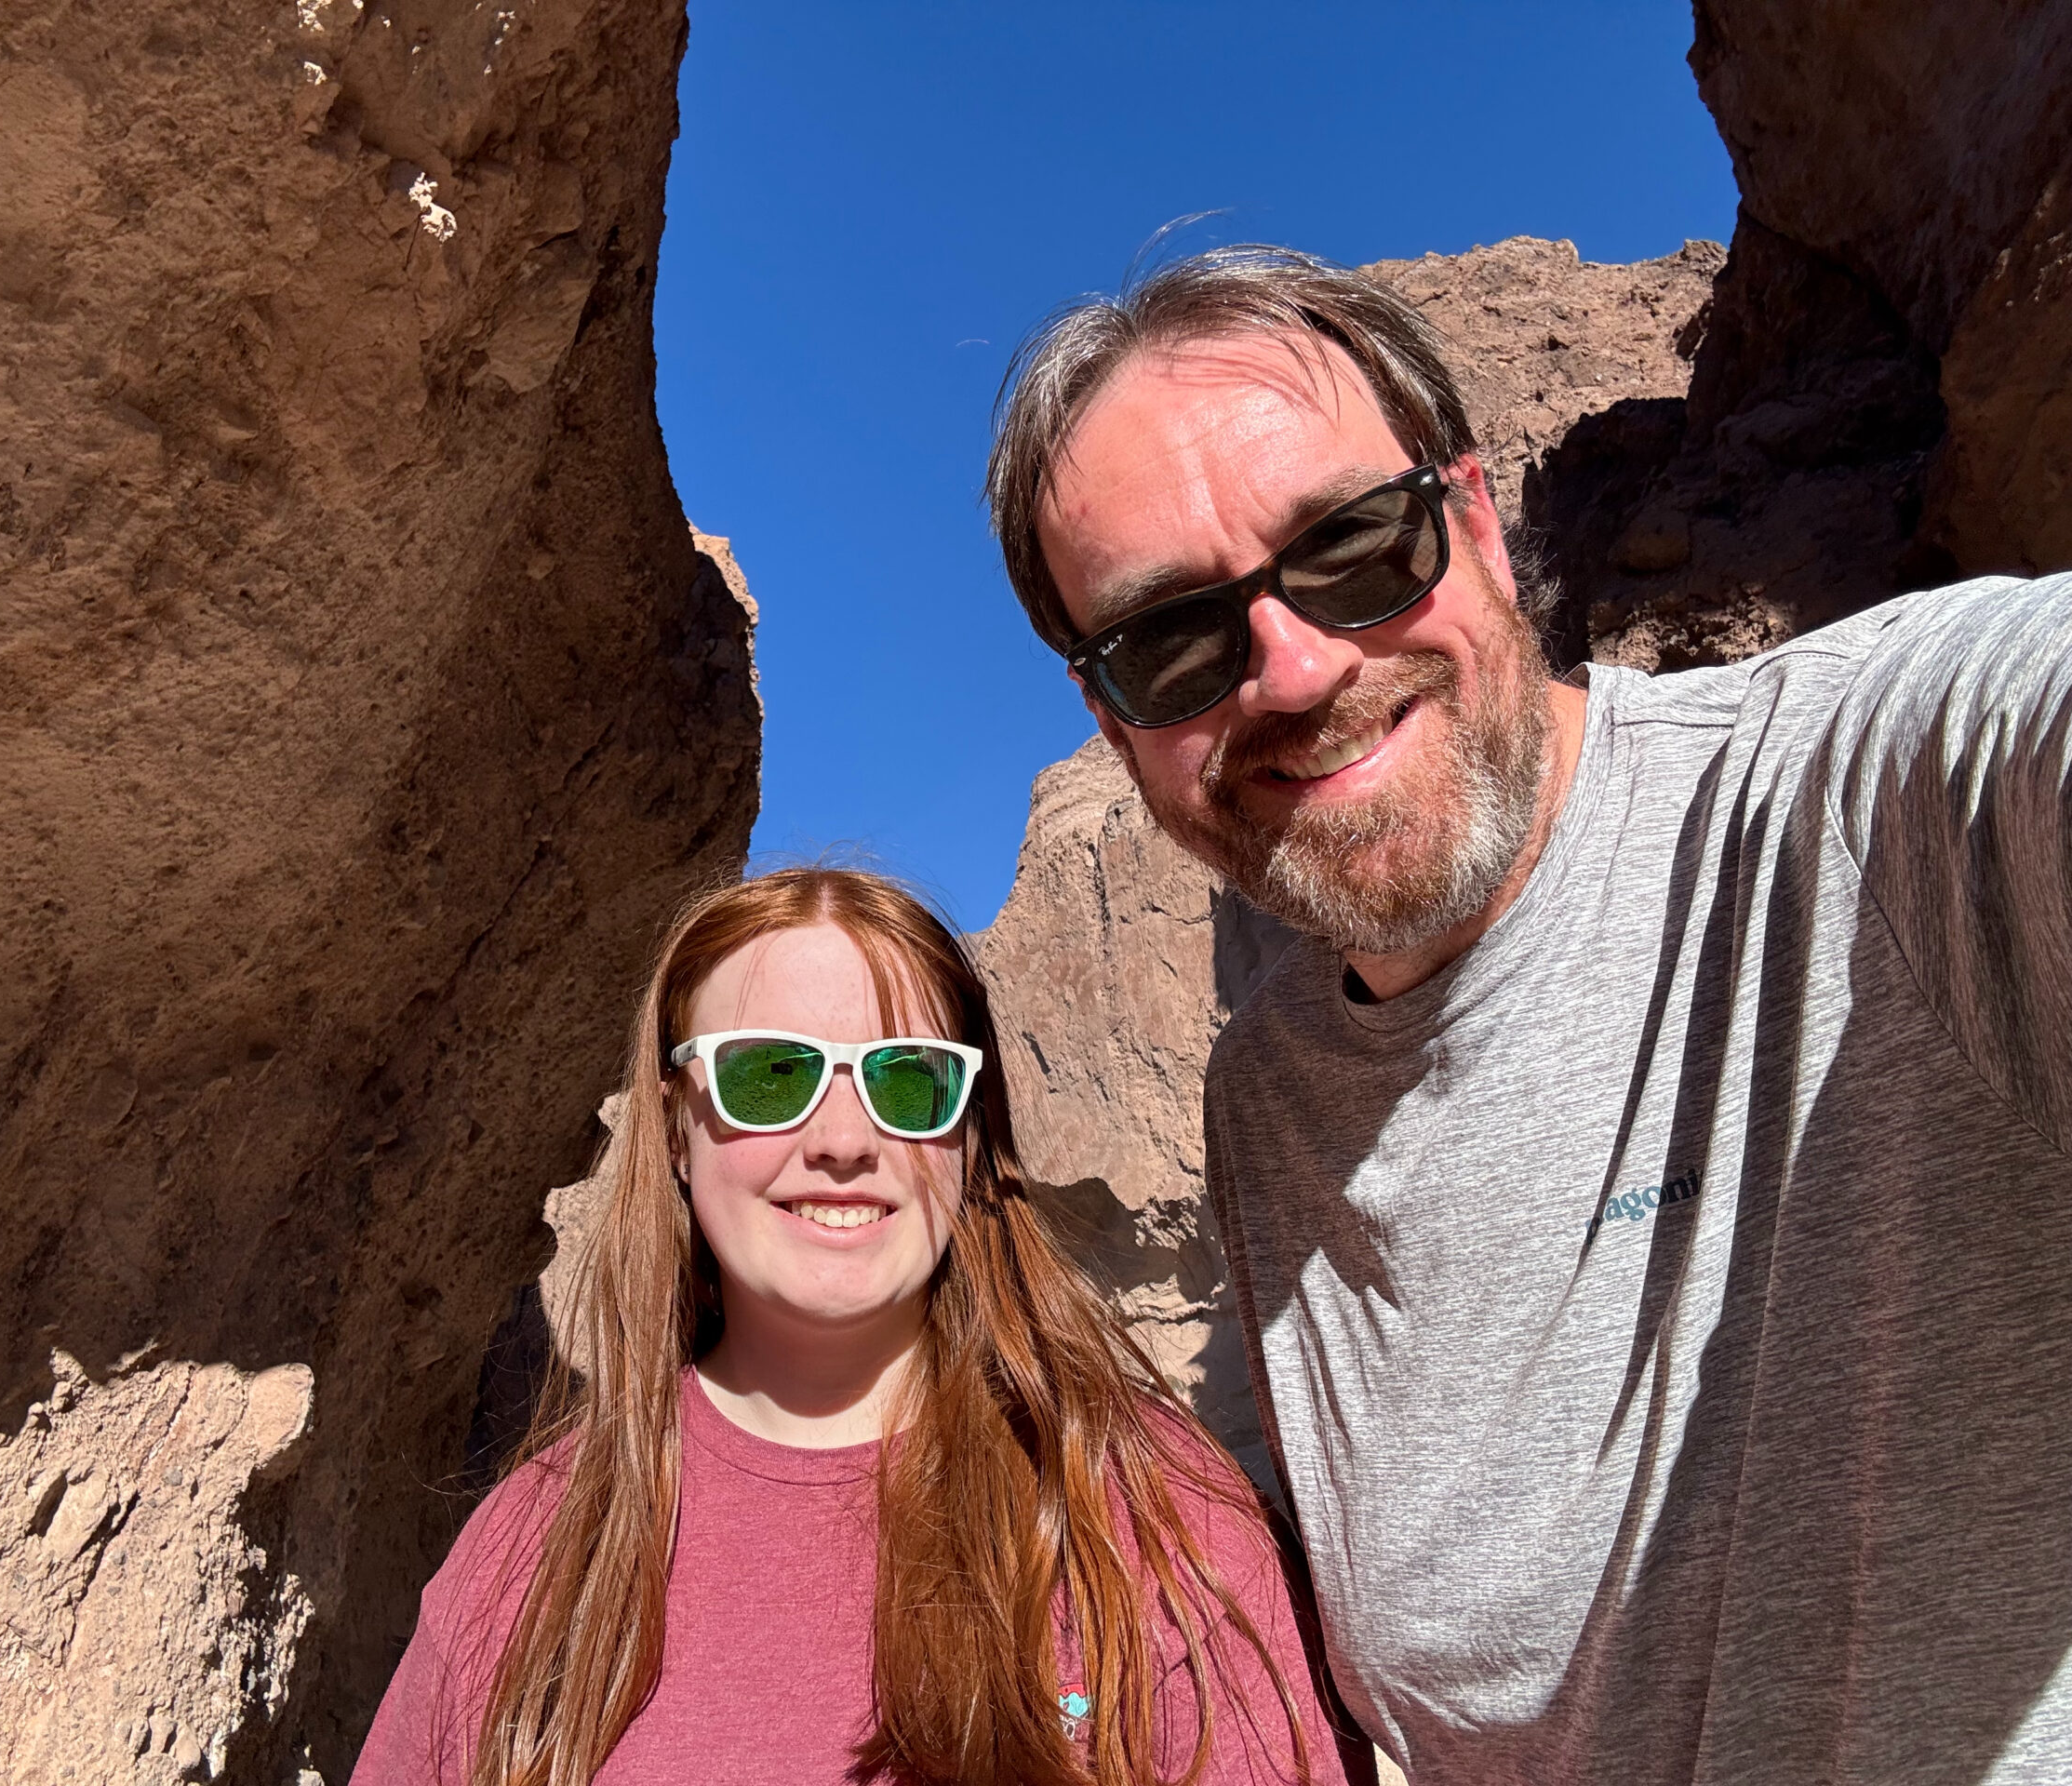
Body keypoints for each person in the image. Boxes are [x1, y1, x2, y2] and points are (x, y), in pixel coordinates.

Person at [986, 246, 2072, 1785]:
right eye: (1175, 641)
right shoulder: (1272, 1100)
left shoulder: (1868, 793)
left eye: (1353, 548)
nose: (1293, 671)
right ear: (1117, 723)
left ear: (1473, 521)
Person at [351, 868, 1368, 1785]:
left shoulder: (1146, 1511)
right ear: (672, 1124)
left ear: (969, 1138)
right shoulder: (535, 1542)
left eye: (908, 1080)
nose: (844, 1140)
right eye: (769, 1076)